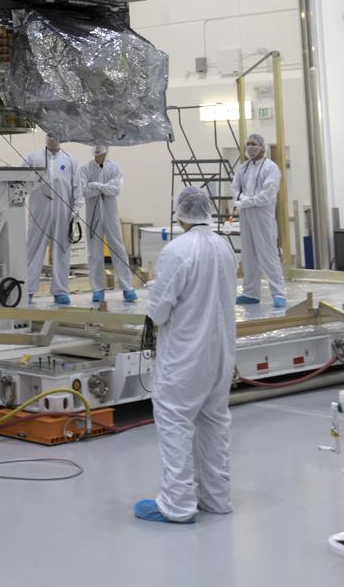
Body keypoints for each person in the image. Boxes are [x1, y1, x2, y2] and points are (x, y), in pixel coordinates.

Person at [134, 186, 236, 524]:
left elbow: (161, 311)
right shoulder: (224, 247)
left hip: (186, 356)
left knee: (175, 421)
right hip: (221, 354)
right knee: (213, 423)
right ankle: (217, 498)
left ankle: (177, 505)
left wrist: (153, 296)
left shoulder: (177, 251)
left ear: (181, 214)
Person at [24, 135, 83, 305]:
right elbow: (19, 179)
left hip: (63, 211)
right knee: (34, 249)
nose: (52, 139)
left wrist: (77, 209)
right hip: (39, 210)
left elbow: (77, 186)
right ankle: (28, 289)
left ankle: (60, 290)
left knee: (62, 250)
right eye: (49, 135)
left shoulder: (70, 160)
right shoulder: (33, 157)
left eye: (56, 135)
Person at [232, 133, 287, 308]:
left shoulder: (271, 168)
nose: (249, 147)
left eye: (253, 144)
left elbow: (269, 193)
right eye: (247, 144)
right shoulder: (243, 168)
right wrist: (241, 200)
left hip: (262, 216)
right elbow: (234, 188)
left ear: (262, 146)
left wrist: (250, 201)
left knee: (268, 255)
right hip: (246, 215)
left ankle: (278, 293)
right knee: (248, 255)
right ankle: (250, 293)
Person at [81, 144, 137, 303]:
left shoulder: (115, 168)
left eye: (101, 153)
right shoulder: (85, 169)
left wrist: (96, 186)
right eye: (96, 154)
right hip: (93, 216)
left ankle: (127, 287)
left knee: (118, 248)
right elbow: (84, 191)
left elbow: (116, 189)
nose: (99, 156)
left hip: (111, 214)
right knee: (94, 253)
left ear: (106, 151)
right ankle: (97, 289)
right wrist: (104, 188)